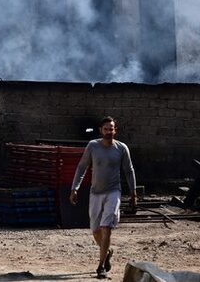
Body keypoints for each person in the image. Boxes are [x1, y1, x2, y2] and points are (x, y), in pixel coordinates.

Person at [69, 116, 137, 279]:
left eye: (111, 129)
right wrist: (74, 188)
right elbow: (82, 167)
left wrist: (133, 193)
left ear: (115, 130)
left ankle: (100, 267)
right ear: (101, 130)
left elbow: (129, 170)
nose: (109, 132)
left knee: (107, 227)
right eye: (106, 129)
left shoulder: (121, 148)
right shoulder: (93, 146)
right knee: (95, 229)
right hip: (95, 192)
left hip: (114, 192)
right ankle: (106, 251)